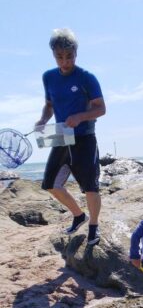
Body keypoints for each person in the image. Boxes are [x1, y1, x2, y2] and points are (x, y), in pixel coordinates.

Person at [36, 28, 106, 246]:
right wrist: (43, 120)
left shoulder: (86, 77)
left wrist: (80, 116)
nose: (65, 62)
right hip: (60, 136)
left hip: (84, 137)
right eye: (60, 57)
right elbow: (49, 105)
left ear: (76, 53)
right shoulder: (48, 77)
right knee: (51, 184)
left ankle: (93, 225)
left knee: (90, 187)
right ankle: (78, 215)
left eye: (69, 56)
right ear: (53, 55)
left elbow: (101, 108)